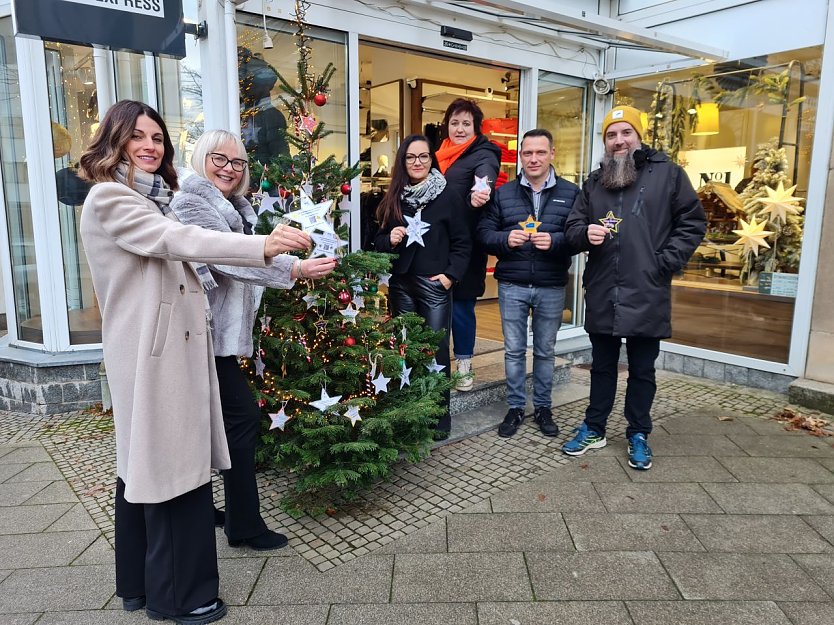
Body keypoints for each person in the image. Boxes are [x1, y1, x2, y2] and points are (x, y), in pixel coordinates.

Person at [78, 100, 298, 624]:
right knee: (173, 471)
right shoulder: (112, 198)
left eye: (158, 137)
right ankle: (182, 598)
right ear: (114, 141)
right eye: (139, 136)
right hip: (155, 358)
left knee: (143, 468)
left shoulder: (148, 199)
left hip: (159, 353)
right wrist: (262, 246)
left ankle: (138, 584)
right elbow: (180, 240)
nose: (151, 146)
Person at [169, 130, 337, 551]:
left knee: (210, 425)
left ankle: (205, 510)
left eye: (238, 162)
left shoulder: (233, 207)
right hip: (199, 336)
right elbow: (230, 257)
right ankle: (243, 524)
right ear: (201, 159)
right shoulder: (192, 201)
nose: (229, 169)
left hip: (216, 339)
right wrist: (294, 269)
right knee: (239, 421)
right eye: (219, 160)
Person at [562, 105, 706, 470]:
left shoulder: (668, 175)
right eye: (612, 135)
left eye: (626, 132)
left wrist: (664, 262)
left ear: (639, 136)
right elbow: (572, 227)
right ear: (606, 142)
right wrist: (584, 233)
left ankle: (638, 432)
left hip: (647, 289)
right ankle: (594, 428)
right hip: (602, 289)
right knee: (602, 367)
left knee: (642, 370)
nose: (619, 141)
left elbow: (692, 222)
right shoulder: (594, 182)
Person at [478, 129, 579, 438]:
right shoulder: (503, 193)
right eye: (527, 153)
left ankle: (544, 407)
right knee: (513, 350)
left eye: (539, 152)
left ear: (551, 154)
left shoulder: (571, 192)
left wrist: (558, 240)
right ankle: (516, 407)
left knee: (546, 351)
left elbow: (579, 235)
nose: (533, 159)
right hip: (512, 284)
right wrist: (505, 239)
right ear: (520, 156)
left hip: (551, 283)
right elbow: (483, 233)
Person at [374, 134, 471, 435]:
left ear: (432, 159)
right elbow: (374, 241)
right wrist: (388, 239)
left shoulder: (448, 195)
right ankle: (409, 415)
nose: (417, 162)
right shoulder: (393, 196)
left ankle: (438, 421)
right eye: (411, 157)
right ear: (403, 161)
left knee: (436, 352)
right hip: (401, 284)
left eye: (423, 156)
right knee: (405, 350)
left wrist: (449, 276)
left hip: (434, 287)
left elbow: (463, 242)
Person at [435, 98, 501, 391]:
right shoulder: (439, 155)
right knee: (435, 306)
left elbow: (485, 175)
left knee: (461, 306)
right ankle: (435, 366)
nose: (459, 129)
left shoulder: (484, 153)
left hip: (467, 246)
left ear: (475, 127)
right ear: (446, 125)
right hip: (437, 243)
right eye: (454, 122)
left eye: (466, 123)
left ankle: (463, 365)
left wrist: (480, 192)